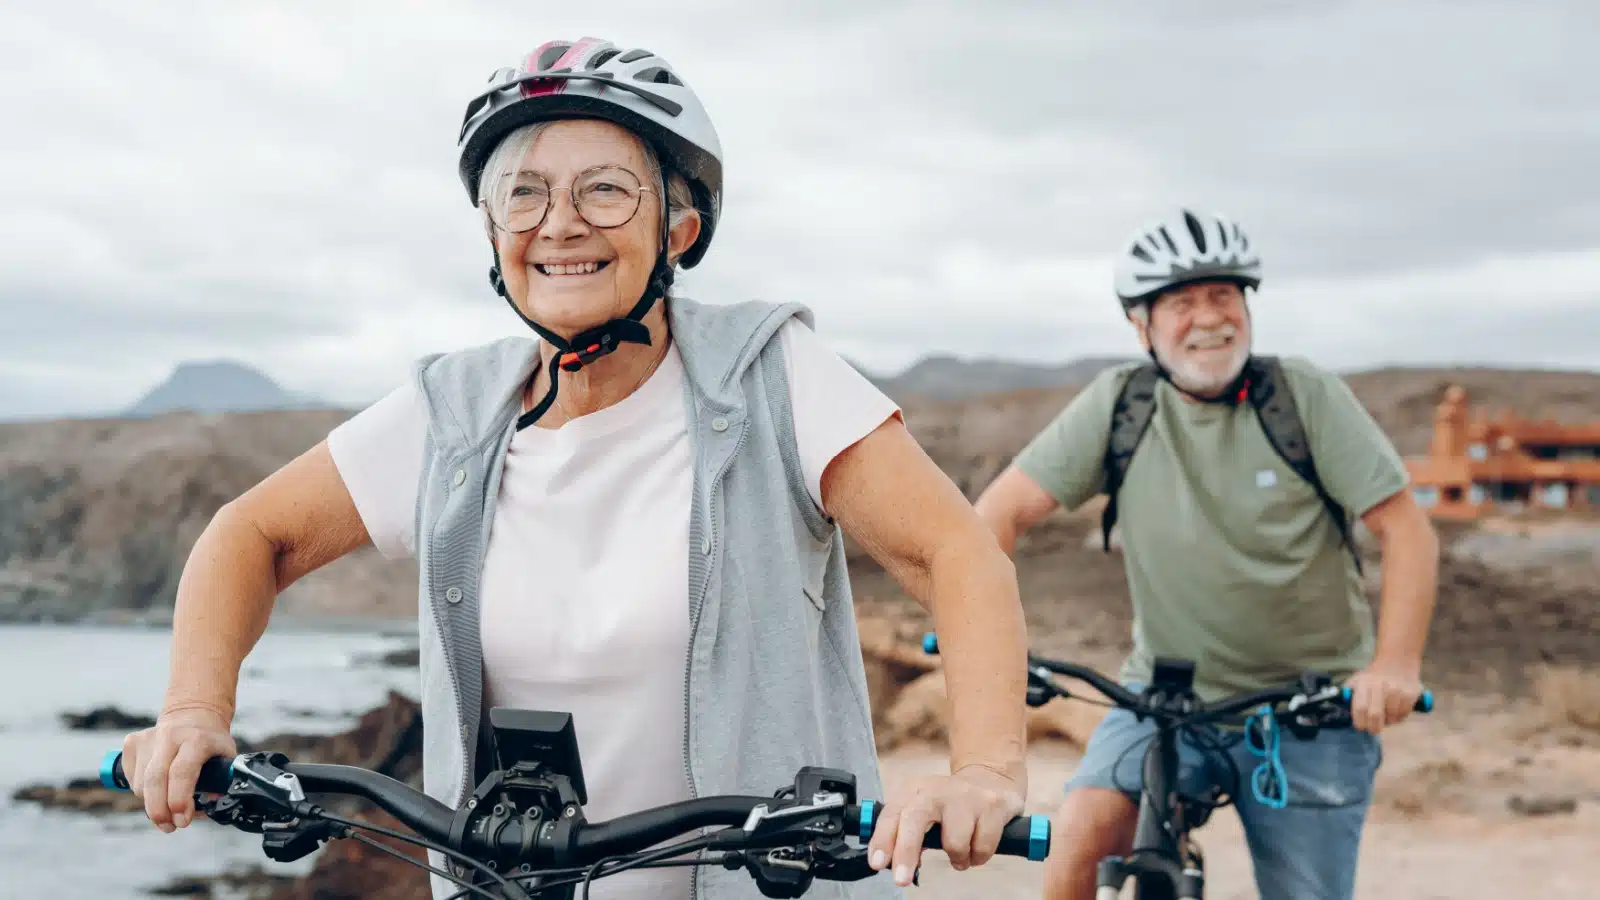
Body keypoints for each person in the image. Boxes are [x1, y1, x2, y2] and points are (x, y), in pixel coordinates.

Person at [119, 38, 1032, 900]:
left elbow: (955, 555)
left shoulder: (769, 376)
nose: (559, 224)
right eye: (523, 194)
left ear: (680, 225)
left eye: (605, 190)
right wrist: (194, 711)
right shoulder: (453, 411)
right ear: (491, 233)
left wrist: (985, 771)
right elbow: (252, 532)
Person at [973, 209, 1440, 900]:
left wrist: (1393, 666)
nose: (1209, 317)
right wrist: (989, 649)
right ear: (1142, 326)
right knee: (1078, 837)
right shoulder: (1121, 405)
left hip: (1307, 710)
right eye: (1182, 303)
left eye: (1224, 296)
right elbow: (994, 518)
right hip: (1165, 699)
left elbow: (1408, 532)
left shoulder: (1301, 397)